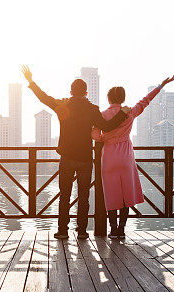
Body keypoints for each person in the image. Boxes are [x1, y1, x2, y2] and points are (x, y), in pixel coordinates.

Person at [21, 65, 131, 240]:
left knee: (64, 195)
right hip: (85, 159)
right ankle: (81, 231)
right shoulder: (93, 109)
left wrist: (30, 81)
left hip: (67, 157)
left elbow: (43, 98)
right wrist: (123, 114)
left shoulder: (63, 104)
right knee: (83, 196)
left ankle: (63, 231)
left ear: (71, 92)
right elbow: (108, 127)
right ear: (86, 93)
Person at [92, 75, 174, 237]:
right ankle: (122, 229)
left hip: (109, 156)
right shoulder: (129, 112)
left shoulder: (103, 115)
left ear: (109, 99)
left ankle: (113, 229)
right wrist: (161, 85)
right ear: (123, 99)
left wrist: (104, 138)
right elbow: (145, 101)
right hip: (125, 156)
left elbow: (95, 135)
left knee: (111, 193)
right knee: (125, 194)